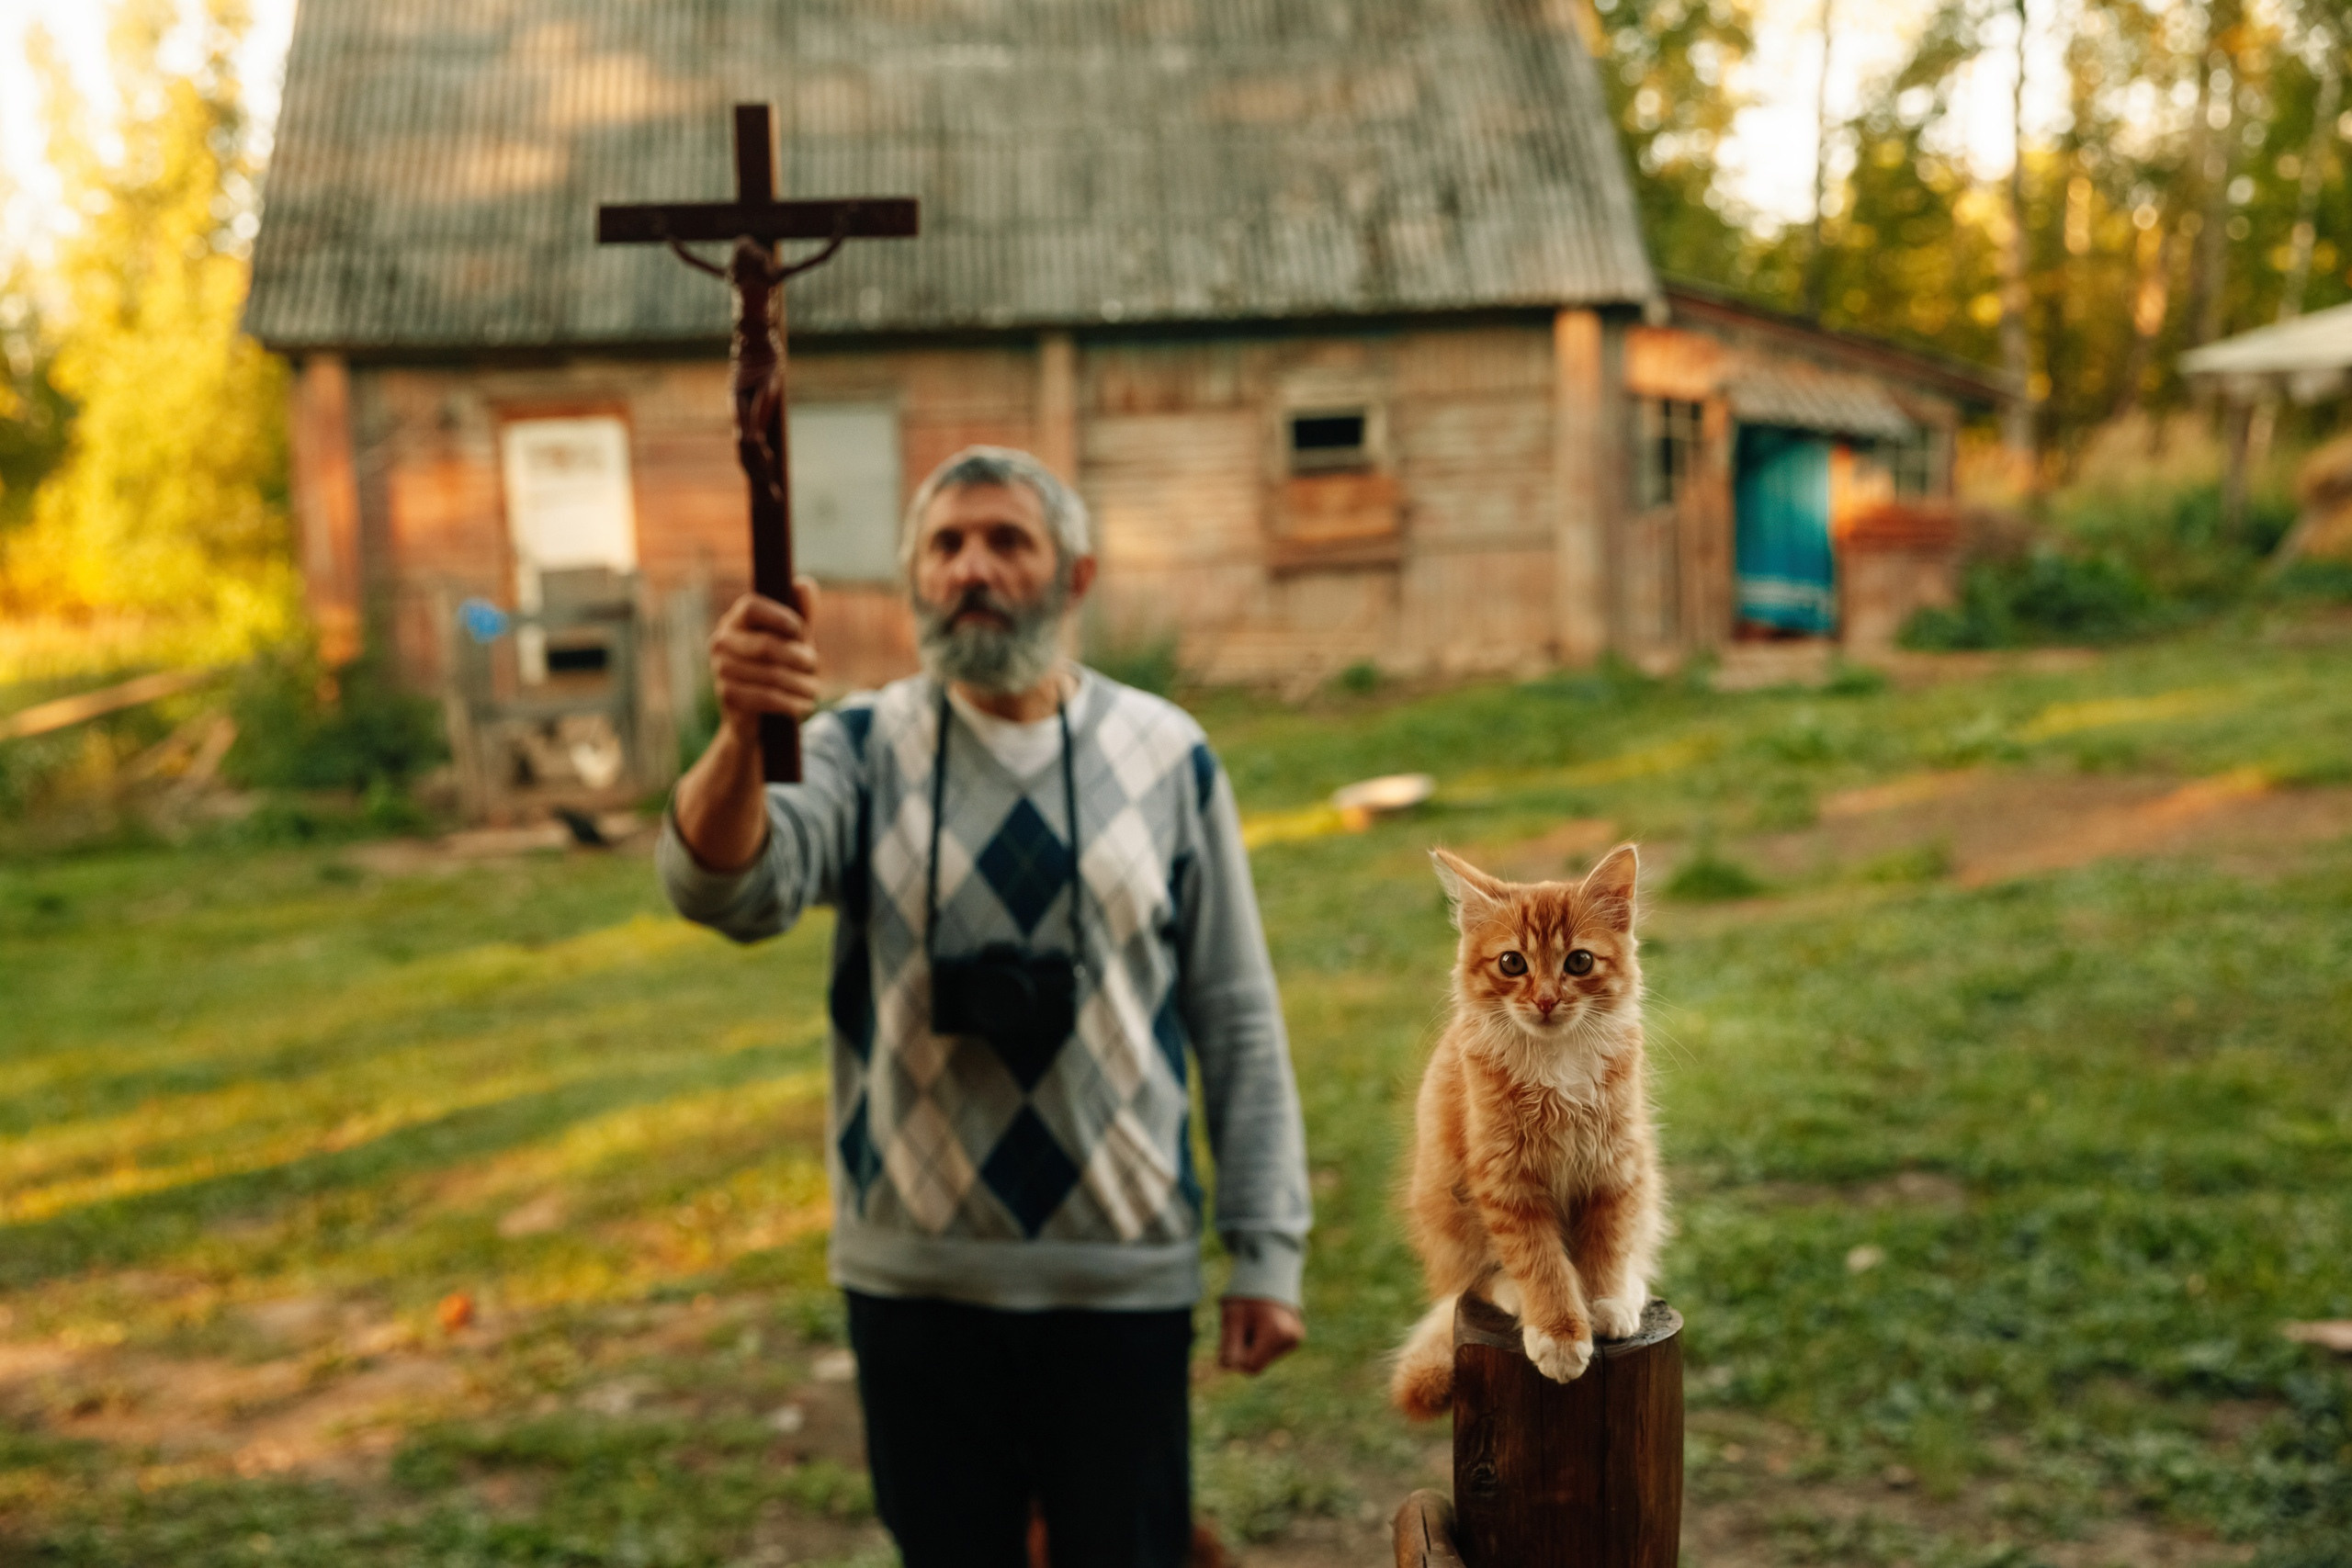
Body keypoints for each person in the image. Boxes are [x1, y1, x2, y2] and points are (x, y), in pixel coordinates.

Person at [658, 446, 1311, 1568]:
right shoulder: (856, 749)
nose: (973, 568)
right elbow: (724, 890)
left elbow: (1235, 1011)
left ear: (1076, 577)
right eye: (946, 545)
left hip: (1119, 1271)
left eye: (1008, 540)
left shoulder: (1169, 755)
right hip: (917, 1278)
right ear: (915, 578)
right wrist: (737, 734)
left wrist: (1266, 1249)